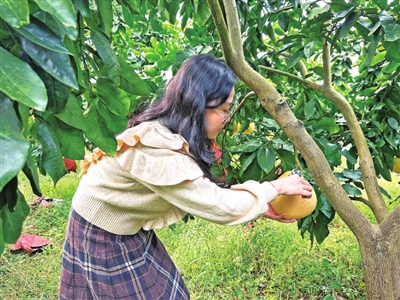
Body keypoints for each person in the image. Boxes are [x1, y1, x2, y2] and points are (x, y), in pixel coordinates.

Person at [59, 54, 313, 299]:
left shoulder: (168, 132)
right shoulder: (156, 149)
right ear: (197, 105)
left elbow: (201, 191)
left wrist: (257, 204)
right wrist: (274, 188)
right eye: (223, 110)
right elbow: (217, 205)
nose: (228, 119)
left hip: (124, 222)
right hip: (101, 231)